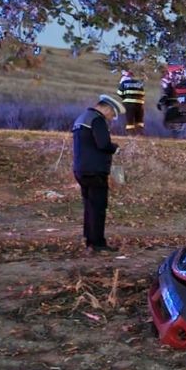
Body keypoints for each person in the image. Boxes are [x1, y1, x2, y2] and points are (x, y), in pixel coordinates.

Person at [72, 95, 125, 253]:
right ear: (107, 108)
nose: (111, 118)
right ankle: (98, 244)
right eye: (112, 115)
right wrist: (115, 147)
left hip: (81, 169)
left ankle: (89, 239)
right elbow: (103, 144)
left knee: (89, 206)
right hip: (95, 170)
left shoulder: (82, 118)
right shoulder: (97, 119)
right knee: (98, 207)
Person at [117, 70, 146, 134]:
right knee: (139, 120)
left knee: (129, 120)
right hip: (140, 104)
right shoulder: (138, 83)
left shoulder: (124, 83)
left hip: (129, 104)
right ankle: (140, 134)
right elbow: (143, 93)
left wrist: (125, 97)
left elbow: (119, 93)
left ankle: (131, 135)